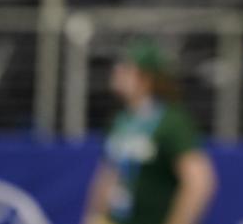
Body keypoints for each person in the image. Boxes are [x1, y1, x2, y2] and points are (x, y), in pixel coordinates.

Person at [82, 40, 216, 224]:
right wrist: (94, 216)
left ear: (146, 78)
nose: (117, 72)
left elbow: (199, 181)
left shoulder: (171, 121)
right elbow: (109, 173)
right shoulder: (122, 119)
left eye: (127, 68)